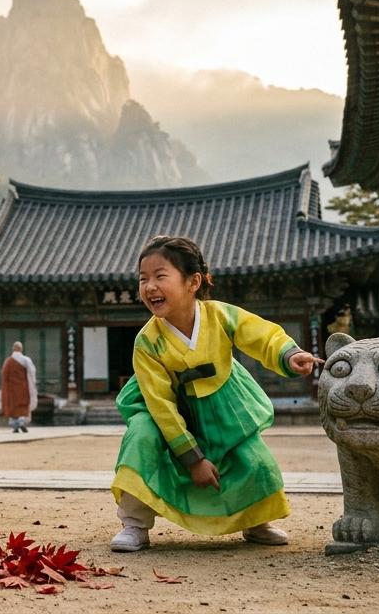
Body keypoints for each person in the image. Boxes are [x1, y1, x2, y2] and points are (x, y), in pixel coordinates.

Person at [110, 236, 321, 552]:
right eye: (143, 279)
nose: (149, 286)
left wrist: (288, 355)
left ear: (193, 281)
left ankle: (255, 520)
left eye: (159, 276)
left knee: (253, 460)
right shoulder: (147, 342)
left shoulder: (221, 316)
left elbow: (260, 334)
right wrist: (192, 459)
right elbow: (160, 403)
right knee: (140, 439)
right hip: (167, 413)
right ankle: (135, 524)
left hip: (222, 404)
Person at [0, 341, 37, 433]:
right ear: (21, 349)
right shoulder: (26, 360)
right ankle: (22, 422)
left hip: (11, 389)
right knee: (23, 405)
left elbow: (4, 375)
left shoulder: (8, 361)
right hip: (23, 387)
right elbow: (32, 372)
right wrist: (32, 385)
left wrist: (5, 388)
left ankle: (15, 426)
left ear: (13, 349)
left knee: (13, 406)